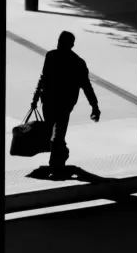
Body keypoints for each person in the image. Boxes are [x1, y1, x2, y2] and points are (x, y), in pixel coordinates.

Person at [31, 31, 100, 176]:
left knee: (57, 136)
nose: (59, 43)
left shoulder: (75, 62)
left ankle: (55, 167)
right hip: (50, 103)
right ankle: (61, 155)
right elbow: (43, 78)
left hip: (62, 104)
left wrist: (94, 106)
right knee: (54, 134)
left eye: (61, 41)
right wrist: (35, 99)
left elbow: (86, 86)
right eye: (59, 40)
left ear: (70, 45)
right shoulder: (54, 57)